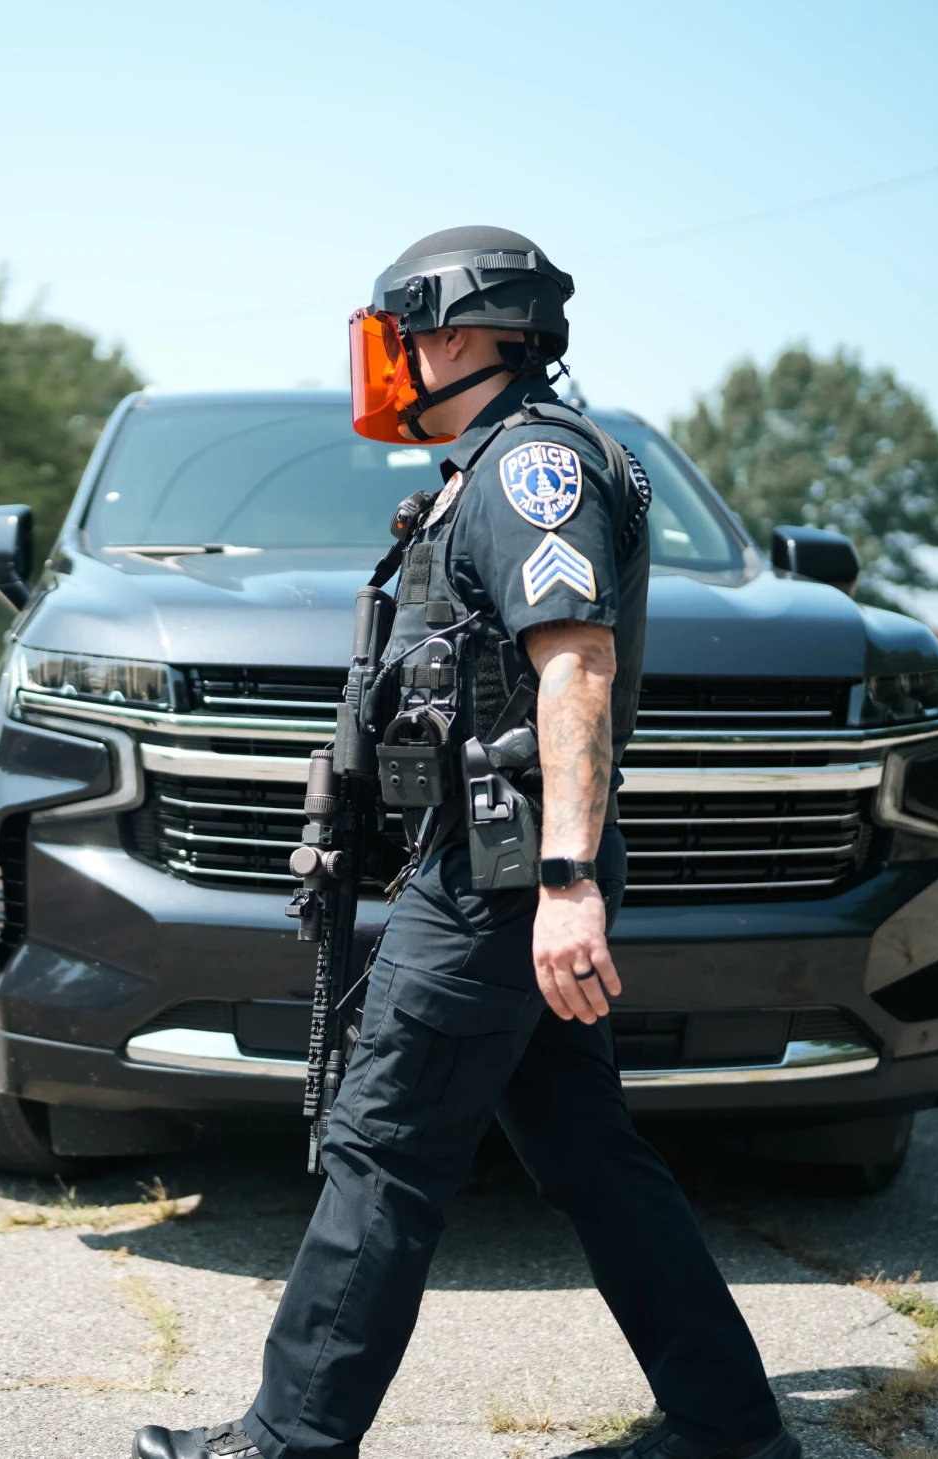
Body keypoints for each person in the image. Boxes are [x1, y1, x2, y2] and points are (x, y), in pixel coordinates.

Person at [133, 227, 800, 1459]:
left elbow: (577, 669)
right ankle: (732, 1427)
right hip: (499, 865)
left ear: (453, 331)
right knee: (592, 1156)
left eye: (399, 332)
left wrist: (564, 882)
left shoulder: (530, 467)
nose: (384, 361)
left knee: (383, 1148)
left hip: (503, 878)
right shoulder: (491, 463)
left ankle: (288, 1442)